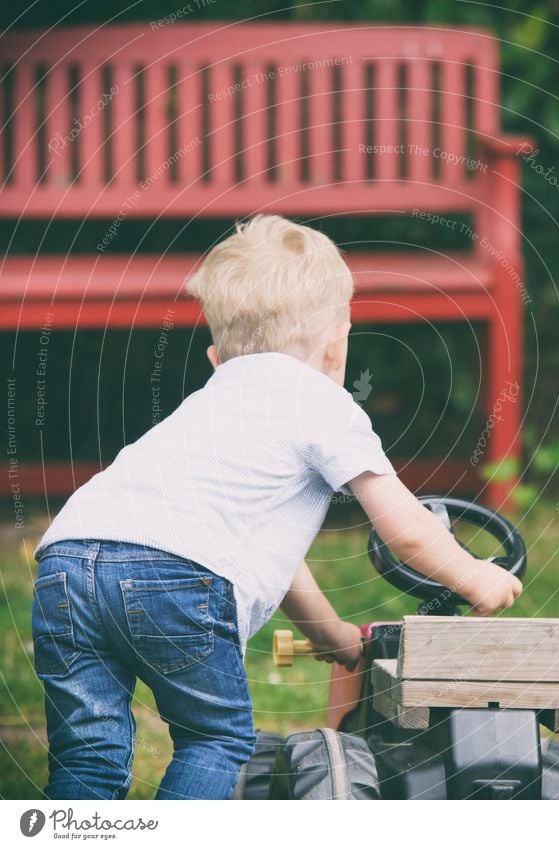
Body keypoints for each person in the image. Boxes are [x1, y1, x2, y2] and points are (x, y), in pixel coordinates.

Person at [32, 215, 522, 800]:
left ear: (218, 357)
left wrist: (333, 634)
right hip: (174, 578)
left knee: (90, 752)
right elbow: (408, 531)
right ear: (336, 347)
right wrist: (473, 576)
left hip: (64, 562)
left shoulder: (210, 405)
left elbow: (268, 554)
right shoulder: (320, 402)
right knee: (214, 740)